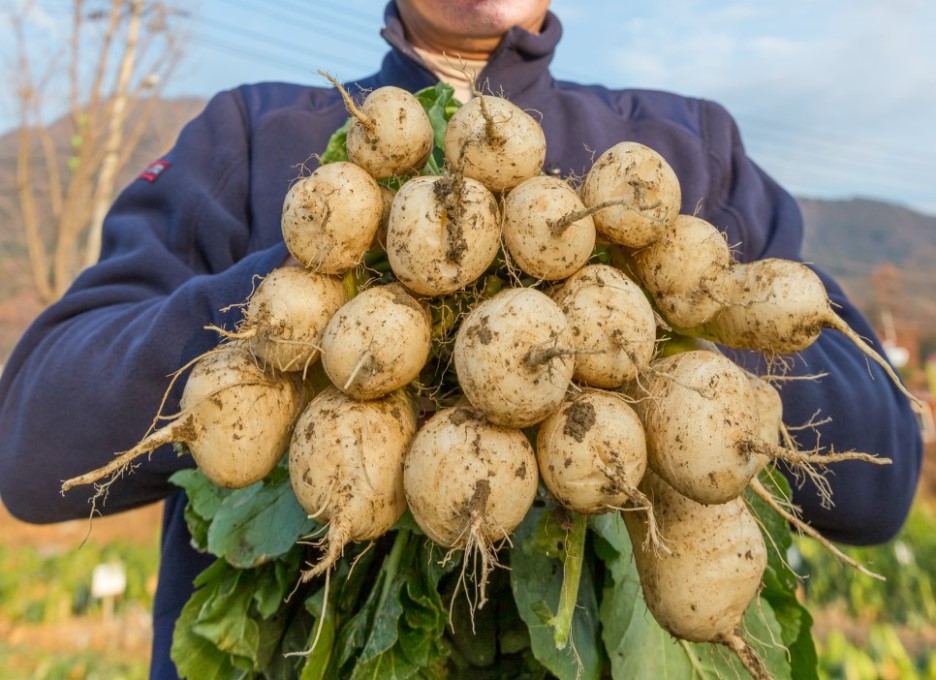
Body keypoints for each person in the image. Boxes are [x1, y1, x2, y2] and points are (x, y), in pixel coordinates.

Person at [0, 1, 922, 678]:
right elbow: (33, 447)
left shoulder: (684, 152)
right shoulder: (250, 134)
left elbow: (879, 479)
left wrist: (664, 318)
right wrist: (309, 283)